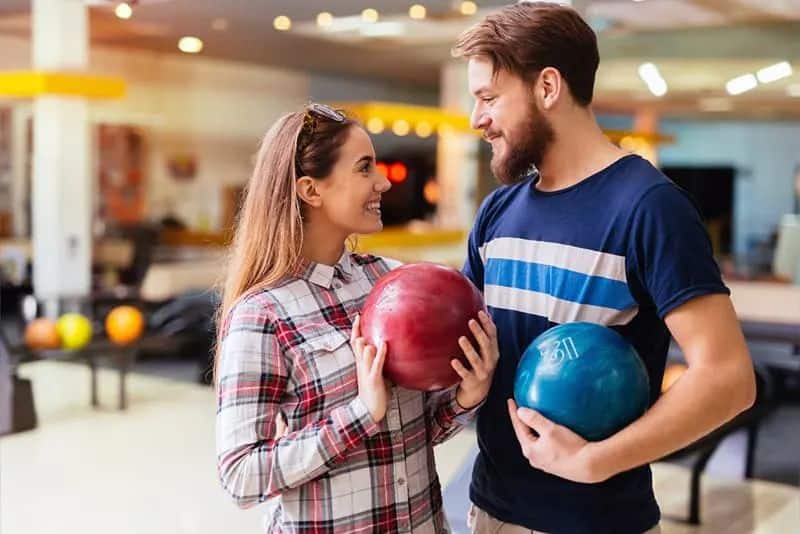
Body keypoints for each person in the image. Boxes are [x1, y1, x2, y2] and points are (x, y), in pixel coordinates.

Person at [452, 3, 756, 533]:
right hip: (488, 511)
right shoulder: (497, 212)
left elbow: (728, 378)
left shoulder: (649, 207)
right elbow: (468, 348)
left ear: (548, 87)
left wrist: (597, 461)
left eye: (488, 98)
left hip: (598, 521)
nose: (478, 118)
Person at [214, 103, 499, 533]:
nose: (383, 182)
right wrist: (360, 414)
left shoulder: (388, 280)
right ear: (311, 190)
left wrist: (465, 397)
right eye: (365, 168)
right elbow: (241, 476)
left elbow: (416, 433)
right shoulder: (262, 314)